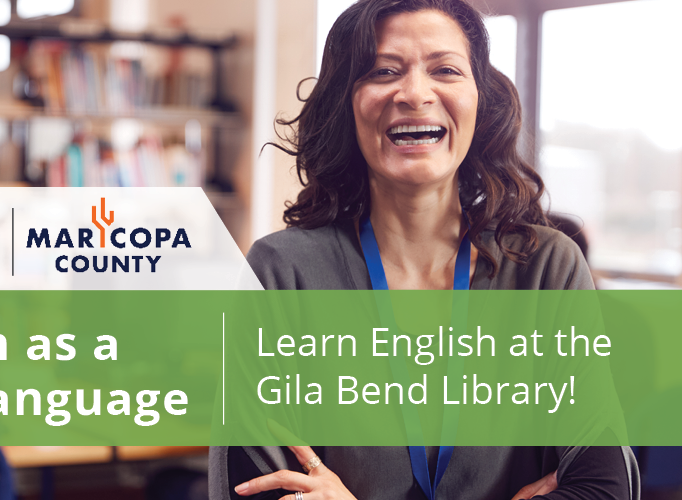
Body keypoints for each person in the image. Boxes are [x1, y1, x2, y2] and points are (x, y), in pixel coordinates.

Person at [209, 0, 638, 498]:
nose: (414, 93)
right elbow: (253, 488)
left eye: (446, 70)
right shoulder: (280, 273)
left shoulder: (546, 266)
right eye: (382, 71)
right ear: (345, 104)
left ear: (481, 99)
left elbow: (604, 488)